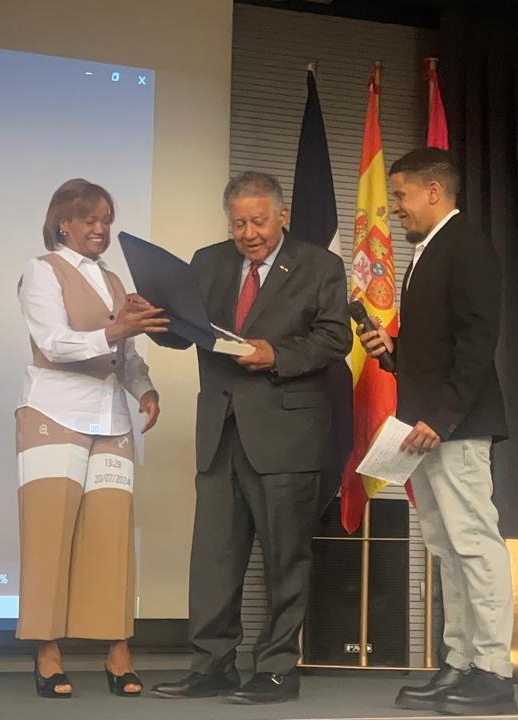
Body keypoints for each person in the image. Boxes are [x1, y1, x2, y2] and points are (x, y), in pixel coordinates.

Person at [151, 172, 351, 705]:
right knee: (213, 559)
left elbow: (336, 338)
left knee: (285, 559)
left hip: (287, 433)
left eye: (259, 221)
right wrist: (153, 321)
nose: (248, 233)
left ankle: (278, 670)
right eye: (238, 223)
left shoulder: (319, 265)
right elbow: (184, 331)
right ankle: (212, 667)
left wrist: (276, 354)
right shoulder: (207, 262)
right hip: (220, 431)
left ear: (282, 216)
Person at [357, 148, 517, 716]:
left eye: (400, 195)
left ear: (433, 191)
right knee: (447, 548)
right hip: (428, 424)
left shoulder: (466, 246)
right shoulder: (428, 251)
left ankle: (494, 672)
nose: (394, 207)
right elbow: (439, 349)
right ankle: (460, 663)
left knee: (473, 543)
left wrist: (441, 417)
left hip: (453, 425)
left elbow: (477, 343)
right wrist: (394, 351)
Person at [15, 178, 167, 700]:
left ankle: (117, 652)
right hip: (53, 411)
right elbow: (54, 343)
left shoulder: (113, 280)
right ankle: (47, 653)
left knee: (112, 536)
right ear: (63, 224)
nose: (101, 228)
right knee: (49, 534)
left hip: (111, 417)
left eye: (106, 219)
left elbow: (126, 354)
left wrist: (144, 389)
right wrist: (117, 330)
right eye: (90, 219)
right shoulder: (42, 270)